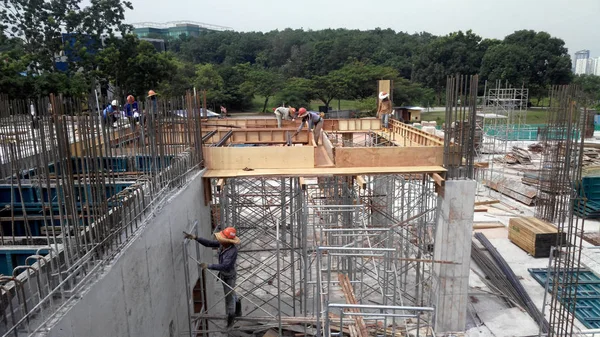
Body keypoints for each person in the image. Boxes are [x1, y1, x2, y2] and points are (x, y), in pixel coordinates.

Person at [183, 227, 242, 328]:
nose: (219, 240)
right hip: (224, 275)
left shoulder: (232, 251)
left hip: (229, 277)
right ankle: (238, 309)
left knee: (229, 299)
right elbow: (209, 243)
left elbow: (225, 266)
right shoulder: (223, 245)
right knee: (232, 294)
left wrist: (208, 266)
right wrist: (196, 238)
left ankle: (230, 322)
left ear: (227, 241)